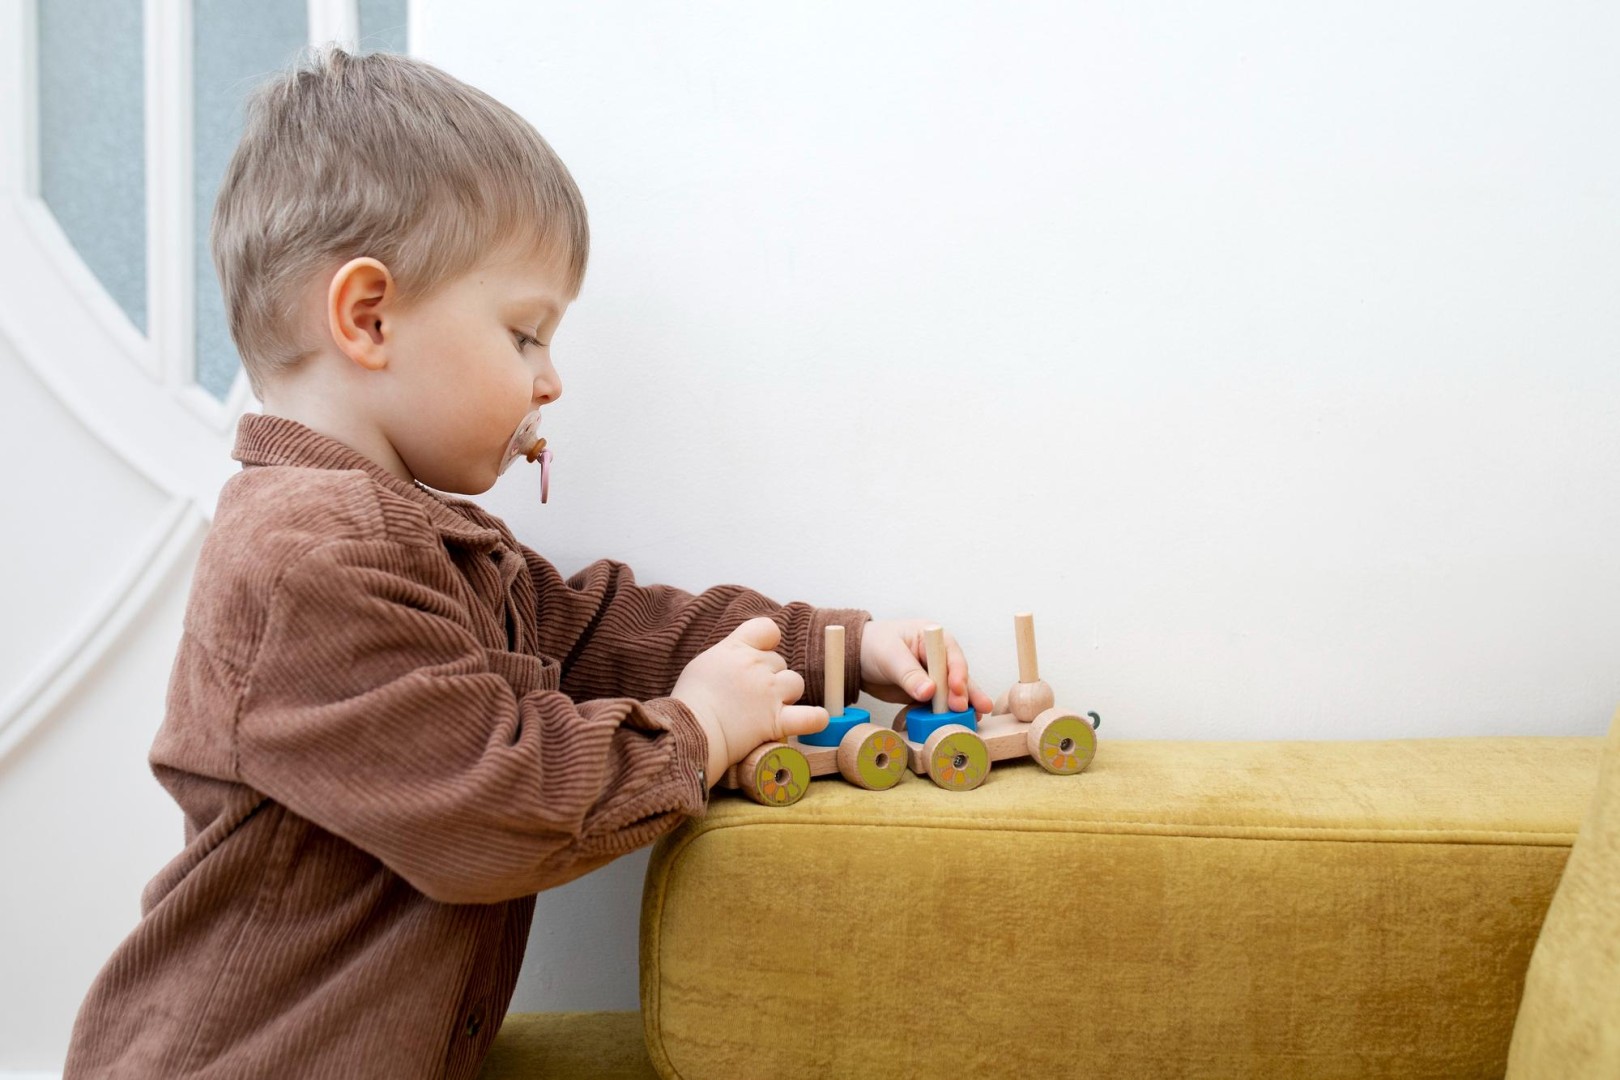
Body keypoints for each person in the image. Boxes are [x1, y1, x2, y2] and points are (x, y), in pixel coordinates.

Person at [62, 44, 993, 1079]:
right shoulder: (311, 560)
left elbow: (602, 631)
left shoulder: (427, 541)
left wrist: (835, 648)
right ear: (368, 319)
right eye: (524, 335)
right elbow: (494, 799)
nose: (550, 381)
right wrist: (695, 730)